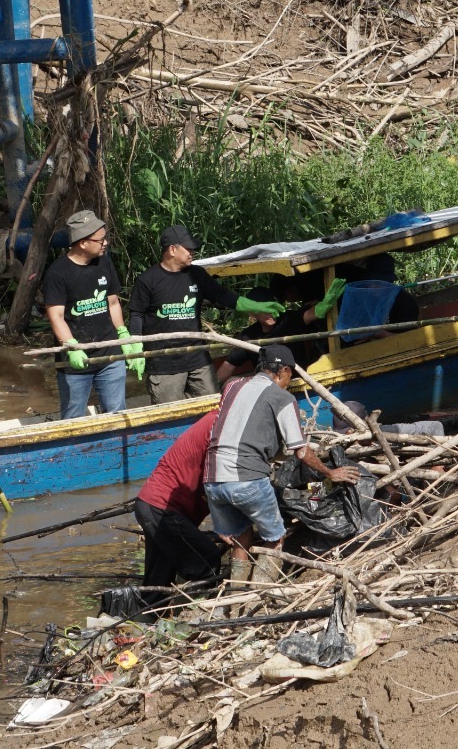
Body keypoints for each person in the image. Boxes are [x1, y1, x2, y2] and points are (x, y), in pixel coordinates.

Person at [202, 345, 360, 582]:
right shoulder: (283, 398)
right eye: (290, 376)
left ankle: (233, 597)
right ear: (283, 371)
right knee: (275, 538)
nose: (289, 382)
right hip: (247, 480)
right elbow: (301, 451)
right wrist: (330, 472)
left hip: (212, 479)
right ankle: (258, 594)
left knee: (241, 535)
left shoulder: (232, 385)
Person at [129, 225, 282, 405]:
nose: (193, 252)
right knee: (170, 413)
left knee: (213, 404)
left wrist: (255, 306)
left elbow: (222, 295)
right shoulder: (148, 280)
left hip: (197, 357)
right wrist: (135, 346)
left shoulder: (197, 274)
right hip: (164, 362)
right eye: (188, 248)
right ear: (172, 249)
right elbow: (136, 315)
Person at [44, 209, 142, 418]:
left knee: (117, 413)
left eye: (106, 237)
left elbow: (113, 303)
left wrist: (123, 335)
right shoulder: (58, 273)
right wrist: (71, 346)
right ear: (82, 242)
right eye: (100, 239)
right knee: (73, 417)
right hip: (75, 359)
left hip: (110, 354)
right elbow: (56, 316)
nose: (105, 243)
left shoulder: (104, 263)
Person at [135, 409, 224, 588]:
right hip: (163, 508)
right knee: (207, 559)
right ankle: (200, 609)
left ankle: (149, 612)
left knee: (159, 579)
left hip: (152, 504)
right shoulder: (221, 426)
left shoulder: (215, 419)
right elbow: (216, 482)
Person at [215, 279, 347, 384]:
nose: (271, 314)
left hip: (299, 382)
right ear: (252, 314)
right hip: (266, 388)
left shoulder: (289, 319)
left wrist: (324, 305)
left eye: (272, 307)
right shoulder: (249, 336)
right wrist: (212, 391)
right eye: (264, 310)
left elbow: (311, 314)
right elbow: (229, 365)